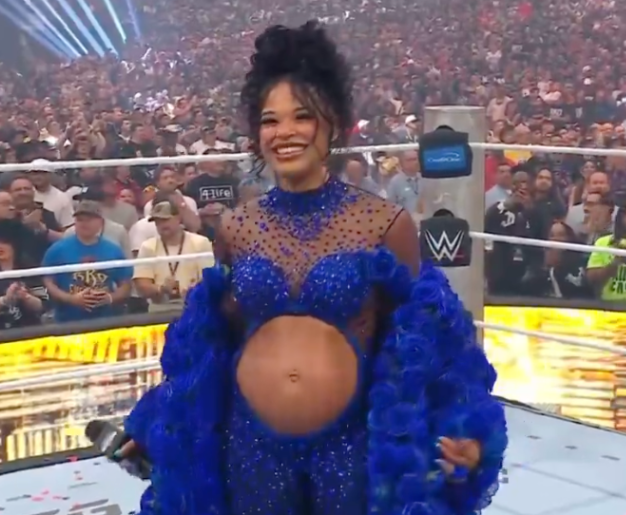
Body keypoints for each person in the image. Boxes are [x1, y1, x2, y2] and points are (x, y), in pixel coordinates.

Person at [122, 21, 506, 515]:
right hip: (250, 445)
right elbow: (211, 349)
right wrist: (160, 424)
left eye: (301, 116)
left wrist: (464, 429)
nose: (284, 133)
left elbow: (431, 343)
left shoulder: (384, 223)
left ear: (332, 123)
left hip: (350, 447)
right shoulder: (236, 228)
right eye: (269, 120)